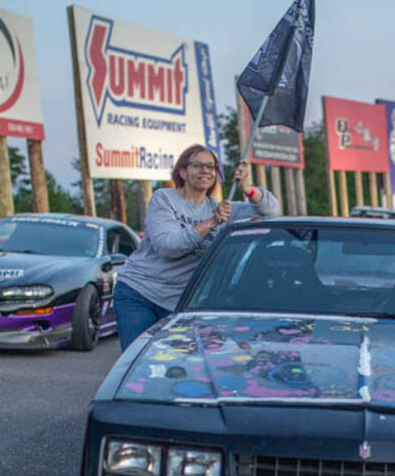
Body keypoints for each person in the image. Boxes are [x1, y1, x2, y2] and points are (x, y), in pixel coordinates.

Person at [113, 144, 280, 351]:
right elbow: (168, 247)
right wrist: (210, 223)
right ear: (182, 172)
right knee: (137, 363)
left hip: (179, 304)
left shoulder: (221, 208)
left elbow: (272, 212)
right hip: (139, 294)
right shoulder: (164, 198)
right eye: (197, 165)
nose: (205, 171)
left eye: (211, 167)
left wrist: (248, 189)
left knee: (176, 366)